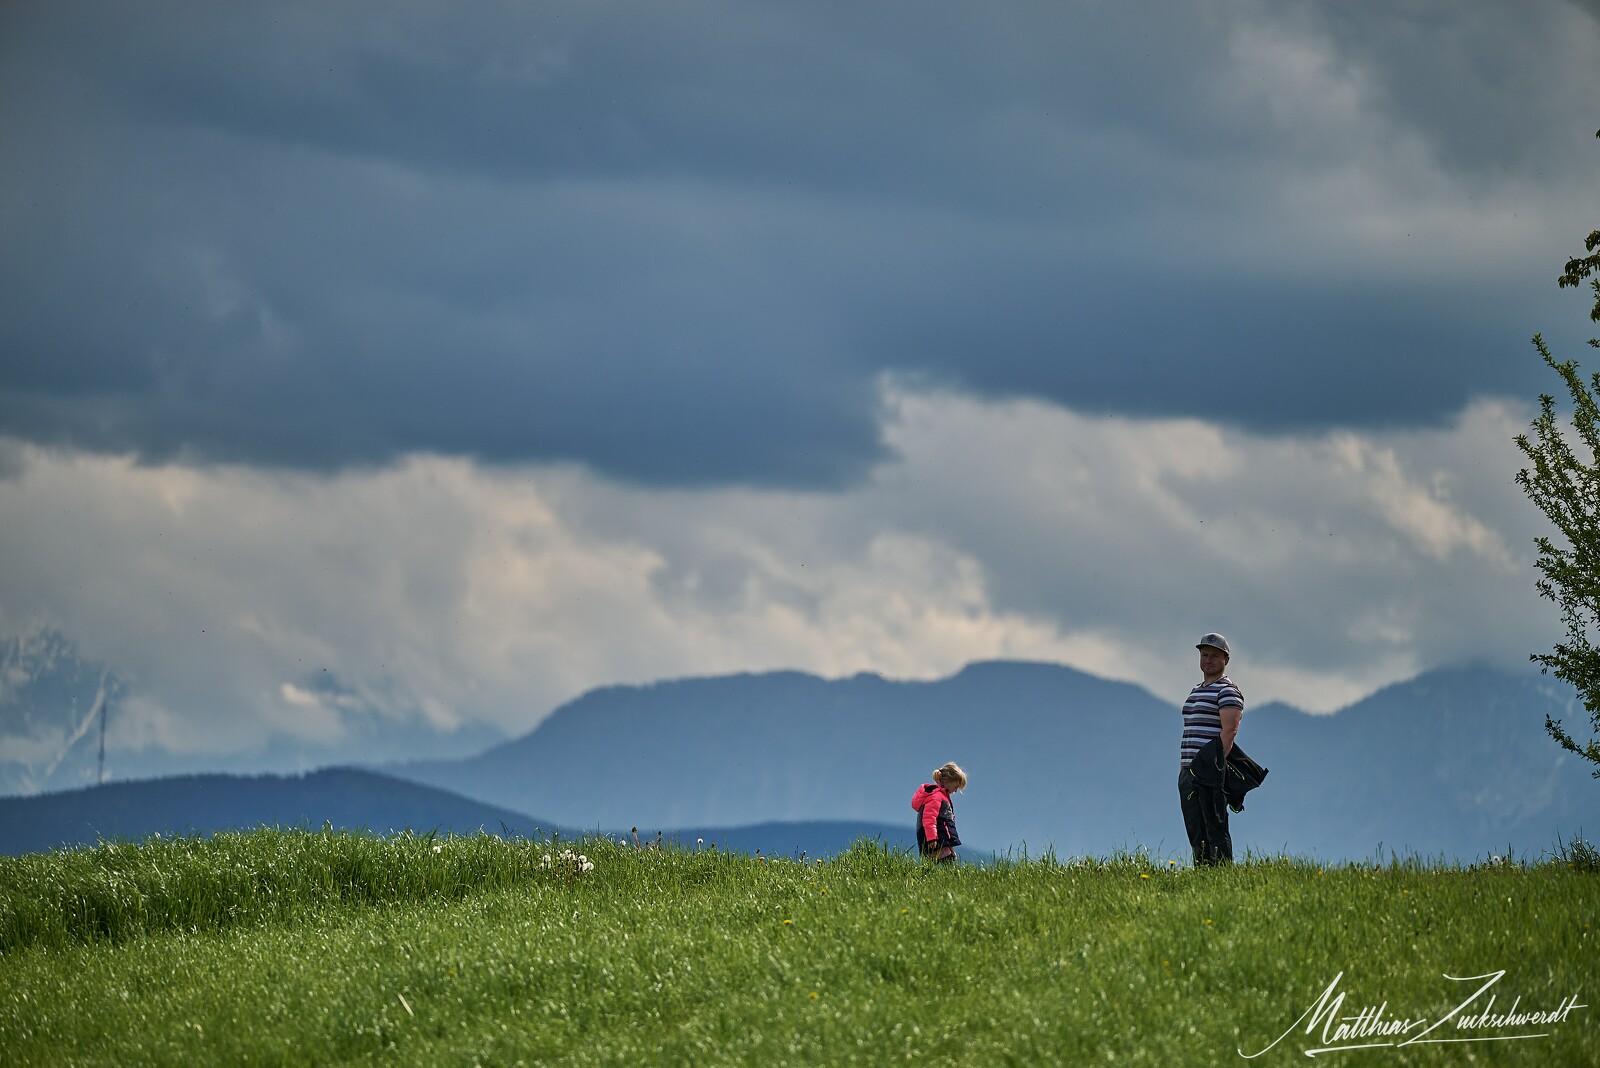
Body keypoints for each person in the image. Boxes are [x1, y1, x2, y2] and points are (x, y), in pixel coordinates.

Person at [1179, 633, 1244, 866]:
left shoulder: (1227, 691)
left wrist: (1214, 768)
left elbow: (1229, 732)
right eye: (1204, 655)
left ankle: (1223, 875)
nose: (1208, 660)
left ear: (1226, 659)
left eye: (1215, 656)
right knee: (1196, 829)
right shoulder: (1196, 690)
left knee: (1214, 828)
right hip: (1189, 772)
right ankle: (1203, 874)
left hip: (1209, 772)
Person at [912, 762, 966, 863]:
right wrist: (932, 838)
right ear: (947, 781)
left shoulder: (942, 797)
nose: (956, 790)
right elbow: (929, 818)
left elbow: (945, 825)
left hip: (939, 839)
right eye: (956, 787)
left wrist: (949, 846)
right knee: (939, 862)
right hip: (932, 839)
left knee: (943, 861)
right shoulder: (935, 797)